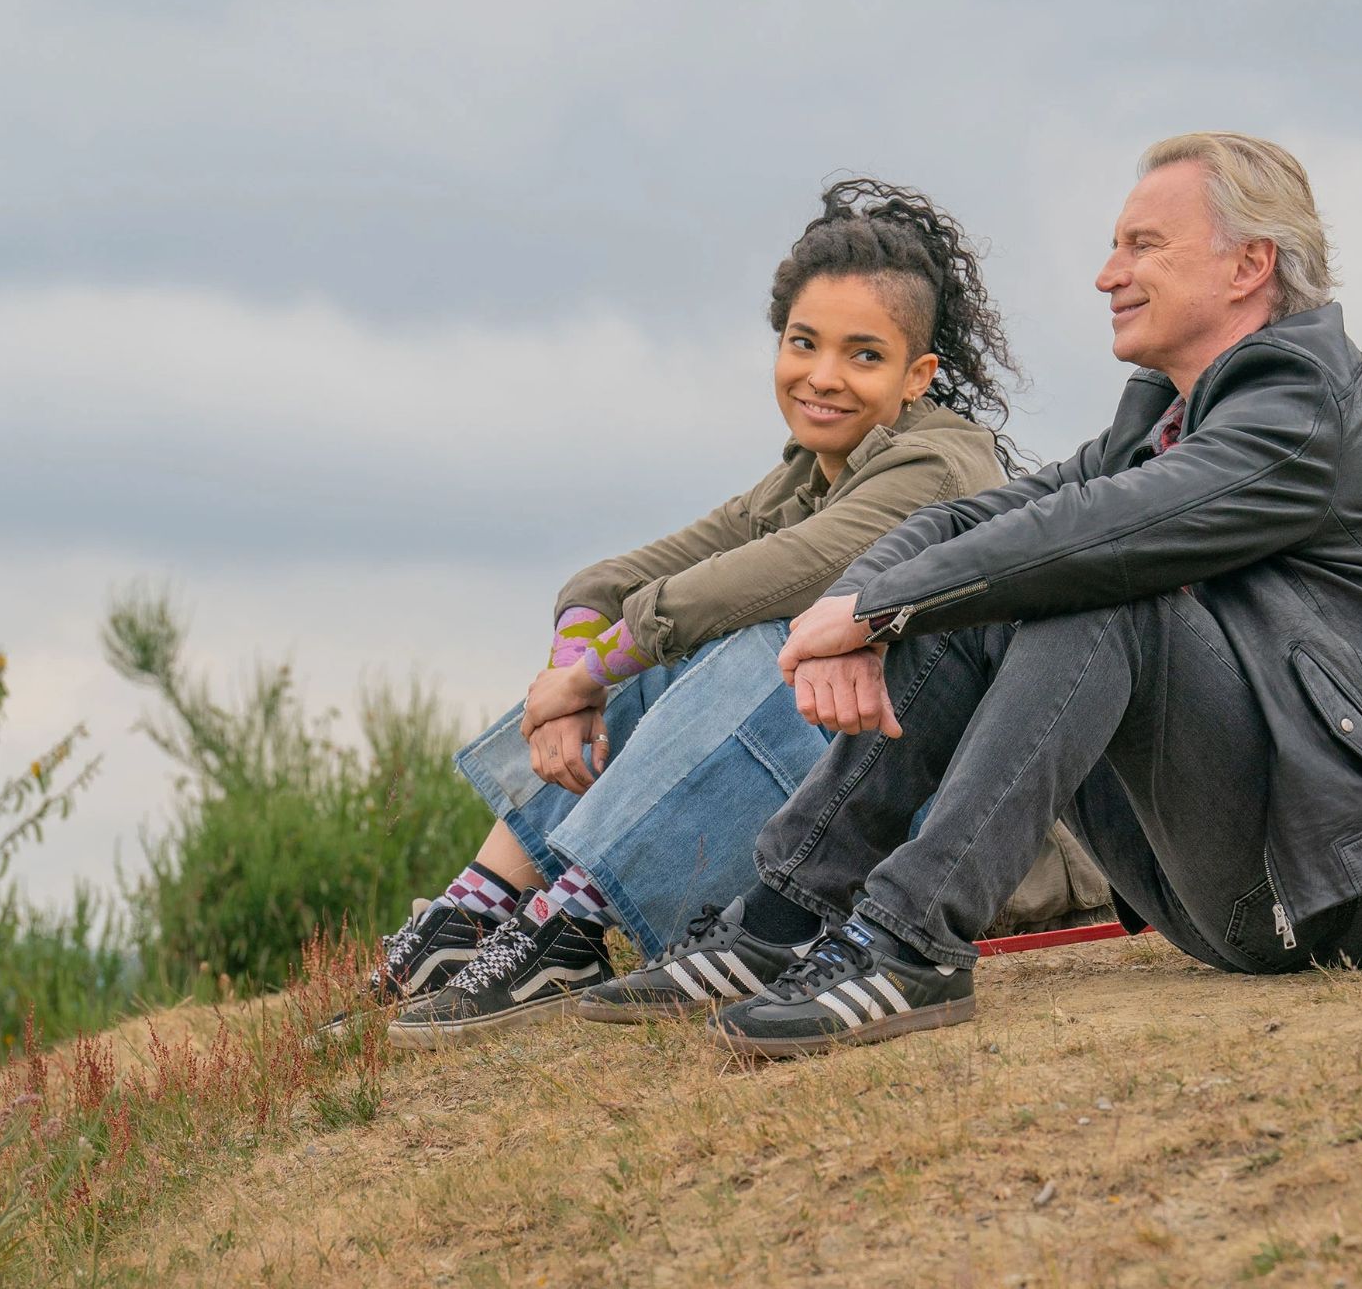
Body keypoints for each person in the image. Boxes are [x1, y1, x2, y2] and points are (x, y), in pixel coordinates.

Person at [633, 132, 1362, 1057]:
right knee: (990, 593)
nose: (1108, 273)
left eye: (1143, 244)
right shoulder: (1165, 411)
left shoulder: (1299, 406)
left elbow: (1100, 537)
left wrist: (875, 612)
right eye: (1115, 245)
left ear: (1248, 264)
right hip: (1230, 873)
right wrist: (862, 600)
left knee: (1103, 589)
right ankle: (781, 919)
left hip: (1358, 879)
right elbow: (976, 523)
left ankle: (908, 941)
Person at [355, 179, 1029, 1048]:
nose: (822, 376)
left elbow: (758, 579)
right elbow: (613, 578)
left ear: (917, 375)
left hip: (959, 828)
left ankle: (569, 918)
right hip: (853, 794)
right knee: (676, 641)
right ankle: (481, 908)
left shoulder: (934, 467)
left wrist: (591, 672)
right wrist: (577, 667)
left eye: (863, 355)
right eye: (802, 343)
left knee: (764, 641)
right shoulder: (810, 472)